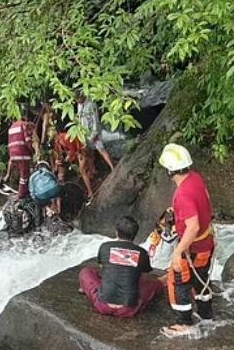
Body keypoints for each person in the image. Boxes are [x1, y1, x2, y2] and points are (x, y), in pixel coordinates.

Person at [158, 143, 216, 336]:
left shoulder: (183, 193)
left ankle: (184, 322)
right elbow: (205, 202)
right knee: (201, 277)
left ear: (169, 170)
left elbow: (193, 227)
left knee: (177, 281)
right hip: (207, 242)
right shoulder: (195, 178)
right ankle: (206, 314)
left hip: (194, 246)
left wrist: (178, 251)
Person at [79, 216, 164, 318]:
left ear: (116, 232)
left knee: (85, 272)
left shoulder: (105, 247)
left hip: (103, 305)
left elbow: (103, 267)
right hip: (129, 309)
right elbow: (145, 272)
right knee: (155, 284)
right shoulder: (142, 252)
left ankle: (87, 289)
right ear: (135, 235)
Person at [76, 93, 114, 199]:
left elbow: (95, 122)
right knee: (90, 158)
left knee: (101, 150)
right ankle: (92, 186)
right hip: (84, 136)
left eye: (78, 98)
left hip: (93, 133)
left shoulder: (91, 105)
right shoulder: (79, 105)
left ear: (83, 95)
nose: (77, 101)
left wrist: (93, 136)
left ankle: (113, 168)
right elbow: (79, 121)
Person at [4, 106, 39, 199]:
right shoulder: (25, 125)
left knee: (20, 171)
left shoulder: (12, 126)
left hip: (12, 154)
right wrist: (32, 152)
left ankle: (6, 177)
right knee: (24, 175)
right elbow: (28, 140)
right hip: (22, 153)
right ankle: (21, 195)